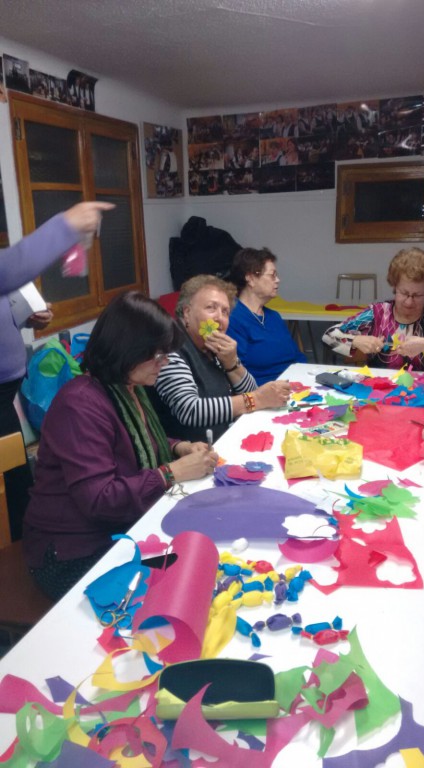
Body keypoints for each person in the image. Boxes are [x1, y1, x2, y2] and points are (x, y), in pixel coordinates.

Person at [23, 292, 218, 601]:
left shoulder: (127, 387)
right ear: (129, 350)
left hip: (117, 532)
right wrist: (170, 473)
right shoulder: (79, 405)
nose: (164, 363)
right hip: (71, 554)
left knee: (203, 559)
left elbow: (133, 441)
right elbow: (100, 500)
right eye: (158, 356)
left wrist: (178, 447)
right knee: (180, 587)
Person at [1, 201, 114, 539]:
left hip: (5, 393)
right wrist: (65, 226)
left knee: (14, 479)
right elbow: (8, 270)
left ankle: (22, 546)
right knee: (7, 487)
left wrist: (24, 318)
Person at [150, 275, 292, 441]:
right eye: (211, 308)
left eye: (225, 312)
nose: (219, 318)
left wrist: (232, 363)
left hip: (227, 438)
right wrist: (256, 399)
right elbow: (190, 410)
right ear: (187, 313)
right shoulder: (170, 347)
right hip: (195, 451)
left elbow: (251, 391)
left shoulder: (211, 345)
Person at [322, 247, 424, 369]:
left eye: (417, 295)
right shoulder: (378, 313)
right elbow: (328, 336)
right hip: (382, 382)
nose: (409, 302)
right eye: (404, 293)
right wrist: (355, 340)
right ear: (394, 286)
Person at [227, 248, 306, 385]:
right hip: (263, 390)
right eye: (272, 275)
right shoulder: (232, 318)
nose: (278, 280)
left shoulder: (274, 317)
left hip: (296, 385)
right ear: (251, 278)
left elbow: (297, 356)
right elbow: (238, 373)